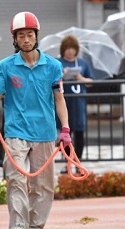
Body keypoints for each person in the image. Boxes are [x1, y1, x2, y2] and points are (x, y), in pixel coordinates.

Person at [0, 11, 71, 229]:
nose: (26, 39)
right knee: (16, 179)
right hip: (16, 130)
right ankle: (18, 228)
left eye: (30, 34)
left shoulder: (53, 66)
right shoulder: (6, 66)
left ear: (36, 36)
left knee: (44, 185)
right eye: (21, 36)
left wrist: (65, 129)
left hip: (45, 132)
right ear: (15, 39)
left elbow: (59, 99)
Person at [56, 34, 93, 173]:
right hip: (63, 104)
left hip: (78, 103)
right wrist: (62, 75)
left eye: (73, 48)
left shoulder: (82, 63)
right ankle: (68, 162)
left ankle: (78, 162)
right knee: (65, 134)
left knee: (79, 133)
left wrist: (80, 78)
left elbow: (91, 82)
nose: (70, 51)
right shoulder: (57, 63)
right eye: (67, 48)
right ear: (63, 49)